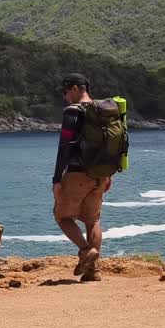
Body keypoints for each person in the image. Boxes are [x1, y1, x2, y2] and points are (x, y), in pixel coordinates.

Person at [52, 73, 112, 282]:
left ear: (76, 89)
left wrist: (57, 179)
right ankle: (93, 272)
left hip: (78, 173)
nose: (65, 96)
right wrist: (108, 173)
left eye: (66, 91)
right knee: (92, 220)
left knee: (62, 216)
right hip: (101, 174)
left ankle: (86, 251)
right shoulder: (104, 110)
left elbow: (65, 146)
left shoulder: (73, 112)